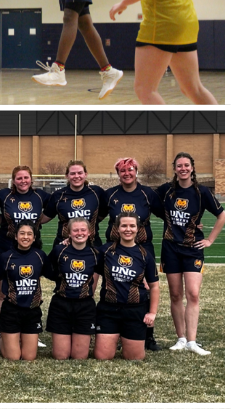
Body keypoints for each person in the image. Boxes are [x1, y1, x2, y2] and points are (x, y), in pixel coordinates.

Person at [156, 152, 224, 355]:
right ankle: (181, 338)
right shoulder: (166, 190)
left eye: (186, 165)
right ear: (174, 169)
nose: (183, 168)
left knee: (193, 294)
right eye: (179, 165)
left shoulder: (202, 192)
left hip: (193, 249)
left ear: (192, 168)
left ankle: (192, 342)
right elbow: (149, 203)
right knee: (175, 294)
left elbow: (222, 215)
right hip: (170, 248)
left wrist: (210, 240)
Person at [104, 156, 165, 351]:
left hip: (142, 246)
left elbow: (167, 215)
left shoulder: (147, 194)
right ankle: (116, 329)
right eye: (123, 171)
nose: (127, 173)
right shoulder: (110, 194)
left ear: (136, 171)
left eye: (130, 170)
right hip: (116, 247)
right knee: (115, 285)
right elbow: (93, 217)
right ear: (118, 174)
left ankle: (147, 334)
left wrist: (192, 225)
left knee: (145, 287)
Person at [0, 166, 50, 336]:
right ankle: (2, 332)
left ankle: (30, 330)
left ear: (31, 179)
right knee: (3, 293)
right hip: (6, 246)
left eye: (26, 178)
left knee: (31, 289)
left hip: (31, 246)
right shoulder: (3, 195)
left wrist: (39, 223)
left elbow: (55, 206)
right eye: (19, 178)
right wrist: (3, 222)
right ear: (13, 180)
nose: (23, 181)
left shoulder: (40, 196)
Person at [93, 213, 159, 360]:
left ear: (138, 229)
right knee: (102, 356)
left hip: (134, 310)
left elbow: (154, 287)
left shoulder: (145, 255)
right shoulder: (105, 251)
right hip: (108, 309)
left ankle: (127, 337)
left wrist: (152, 313)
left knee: (134, 358)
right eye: (123, 225)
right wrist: (68, 242)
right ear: (117, 228)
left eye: (132, 226)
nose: (127, 229)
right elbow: (83, 255)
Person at [43, 217, 100, 359]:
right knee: (60, 356)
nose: (79, 233)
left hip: (85, 305)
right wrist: (59, 277)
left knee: (79, 357)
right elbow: (46, 268)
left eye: (83, 230)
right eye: (75, 230)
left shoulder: (96, 253)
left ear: (89, 232)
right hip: (61, 303)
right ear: (69, 233)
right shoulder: (59, 250)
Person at [0, 221, 47, 360]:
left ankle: (18, 337)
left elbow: (54, 273)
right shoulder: (6, 257)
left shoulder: (40, 256)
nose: (25, 237)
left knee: (29, 357)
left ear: (34, 237)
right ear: (15, 236)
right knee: (14, 357)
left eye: (29, 234)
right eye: (22, 233)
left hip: (32, 311)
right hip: (11, 310)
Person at [40, 160, 107, 248]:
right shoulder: (58, 195)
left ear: (85, 174)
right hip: (65, 245)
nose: (76, 176)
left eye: (80, 173)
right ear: (67, 176)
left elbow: (103, 213)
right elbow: (44, 218)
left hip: (92, 245)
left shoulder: (96, 192)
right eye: (72, 173)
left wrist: (92, 222)